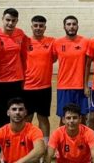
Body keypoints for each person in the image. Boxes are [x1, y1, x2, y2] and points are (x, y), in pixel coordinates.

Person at [0, 8, 28, 143]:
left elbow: (24, 56)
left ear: (17, 21)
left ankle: (12, 146)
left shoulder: (20, 34)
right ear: (2, 19)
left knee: (14, 116)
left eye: (13, 21)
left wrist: (24, 78)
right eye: (8, 20)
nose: (10, 23)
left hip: (16, 82)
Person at [0, 97, 45, 163]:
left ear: (25, 112)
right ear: (8, 112)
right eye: (14, 109)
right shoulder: (2, 131)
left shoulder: (34, 130)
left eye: (21, 109)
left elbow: (40, 149)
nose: (17, 112)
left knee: (34, 160)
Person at [24, 15, 55, 144]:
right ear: (31, 27)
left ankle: (46, 147)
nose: (38, 28)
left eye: (41, 26)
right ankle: (25, 144)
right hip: (27, 88)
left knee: (43, 118)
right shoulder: (25, 42)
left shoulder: (52, 42)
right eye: (35, 26)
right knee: (27, 118)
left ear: (45, 27)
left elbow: (54, 58)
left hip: (44, 88)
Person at [53, 15, 90, 123]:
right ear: (64, 27)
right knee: (64, 118)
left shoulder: (85, 42)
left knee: (82, 118)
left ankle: (82, 140)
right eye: (68, 24)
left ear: (78, 26)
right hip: (64, 86)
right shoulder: (57, 43)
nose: (71, 26)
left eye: (74, 24)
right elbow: (51, 59)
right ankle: (62, 140)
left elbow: (87, 66)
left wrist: (86, 85)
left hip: (80, 87)